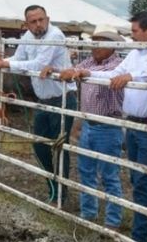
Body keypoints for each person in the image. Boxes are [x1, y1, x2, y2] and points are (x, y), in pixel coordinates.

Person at [79, 11, 147, 242]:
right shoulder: (135, 52)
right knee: (136, 177)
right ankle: (141, 227)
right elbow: (116, 74)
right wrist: (89, 73)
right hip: (134, 124)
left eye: (135, 31)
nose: (131, 35)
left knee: (143, 179)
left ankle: (140, 238)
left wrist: (130, 76)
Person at [0, 5, 78, 204]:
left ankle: (61, 192)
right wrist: (4, 60)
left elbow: (39, 64)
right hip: (44, 99)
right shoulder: (28, 36)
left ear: (47, 18)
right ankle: (53, 186)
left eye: (41, 20)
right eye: (33, 21)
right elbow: (19, 58)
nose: (38, 24)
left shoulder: (55, 35)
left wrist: (5, 64)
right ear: (27, 23)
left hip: (62, 97)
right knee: (39, 145)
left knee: (59, 146)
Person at [50, 24, 125, 227]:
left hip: (108, 125)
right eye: (94, 42)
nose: (95, 47)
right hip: (89, 124)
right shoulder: (89, 62)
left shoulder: (117, 65)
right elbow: (75, 71)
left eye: (100, 43)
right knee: (86, 171)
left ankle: (112, 220)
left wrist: (80, 72)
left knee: (109, 175)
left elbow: (90, 74)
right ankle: (88, 213)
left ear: (112, 45)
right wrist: (56, 71)